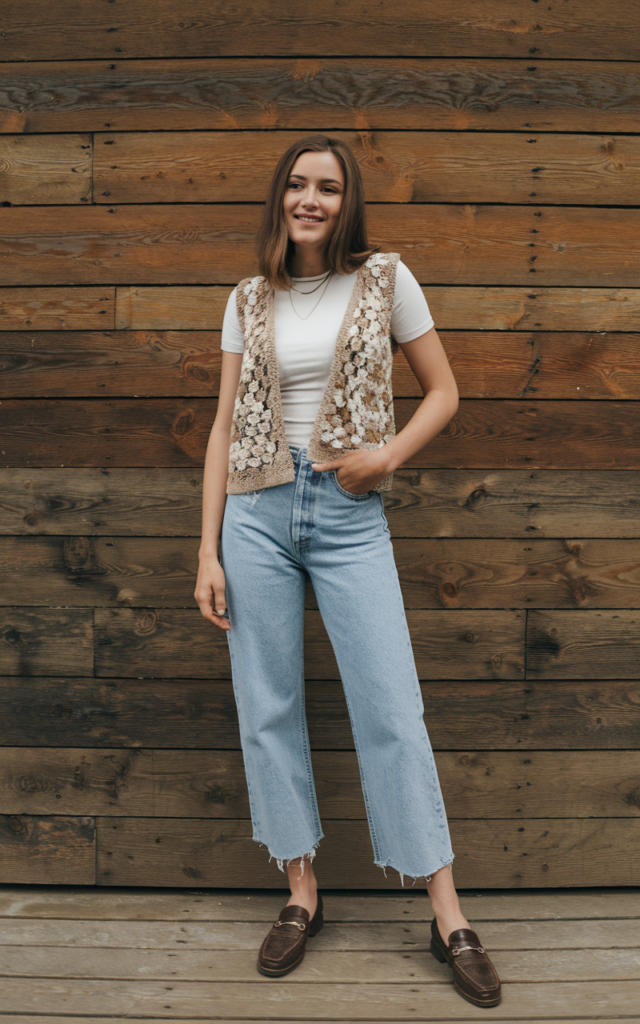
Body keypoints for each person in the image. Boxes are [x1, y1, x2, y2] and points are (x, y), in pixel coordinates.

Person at [194, 135, 501, 1008]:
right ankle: (302, 893)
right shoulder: (247, 298)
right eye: (297, 184)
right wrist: (207, 549)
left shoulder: (385, 281)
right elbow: (221, 429)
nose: (310, 200)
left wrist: (387, 458)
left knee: (391, 706)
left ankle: (447, 912)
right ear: (280, 198)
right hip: (255, 512)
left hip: (345, 511)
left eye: (327, 187)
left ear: (346, 201)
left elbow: (444, 390)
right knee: (269, 703)